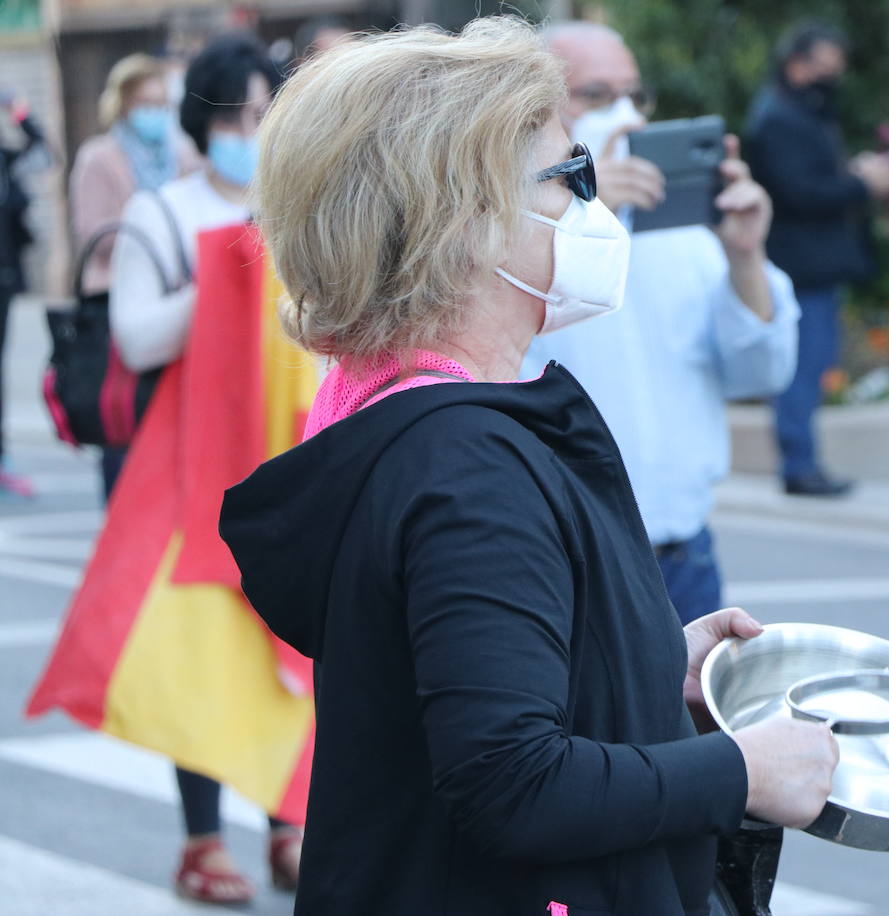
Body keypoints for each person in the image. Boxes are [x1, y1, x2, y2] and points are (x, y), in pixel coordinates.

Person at [218, 20, 838, 915]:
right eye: (570, 178)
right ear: (465, 224)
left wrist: (646, 661)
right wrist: (741, 769)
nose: (594, 206)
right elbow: (511, 784)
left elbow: (464, 695)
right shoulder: (465, 460)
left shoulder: (410, 421)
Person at [107, 34, 301, 906]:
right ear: (204, 119)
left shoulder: (296, 209)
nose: (250, 131)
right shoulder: (165, 212)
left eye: (264, 113)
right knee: (202, 655)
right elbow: (138, 337)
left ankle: (288, 825)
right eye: (236, 114)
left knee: (292, 646)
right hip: (188, 469)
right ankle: (202, 839)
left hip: (284, 458)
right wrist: (226, 276)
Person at [524, 22, 799, 625]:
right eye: (595, 95)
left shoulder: (687, 235)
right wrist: (578, 206)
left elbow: (761, 371)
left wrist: (745, 256)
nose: (624, 114)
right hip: (558, 562)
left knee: (690, 720)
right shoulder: (508, 229)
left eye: (635, 96)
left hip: (682, 558)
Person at [746, 22, 889, 498]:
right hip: (800, 265)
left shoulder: (799, 112)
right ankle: (799, 464)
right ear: (797, 64)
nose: (833, 75)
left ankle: (804, 461)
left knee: (812, 365)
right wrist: (862, 185)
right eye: (825, 65)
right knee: (800, 368)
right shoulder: (778, 118)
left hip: (815, 262)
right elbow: (799, 192)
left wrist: (852, 174)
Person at [69, 54, 201, 496]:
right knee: (123, 415)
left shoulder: (181, 153)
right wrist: (151, 226)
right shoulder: (99, 158)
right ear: (122, 104)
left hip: (176, 302)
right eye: (144, 101)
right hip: (115, 301)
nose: (153, 112)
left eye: (161, 102)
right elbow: (94, 231)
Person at [0, 91, 46, 498]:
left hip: (4, 280)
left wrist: (17, 108)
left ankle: (2, 457)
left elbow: (42, 148)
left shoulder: (5, 159)